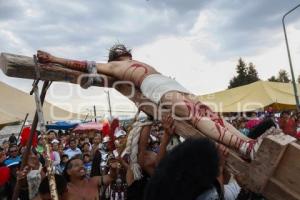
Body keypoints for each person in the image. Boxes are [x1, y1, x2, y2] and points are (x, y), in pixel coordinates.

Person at [37, 45, 268, 159]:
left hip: (168, 85)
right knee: (200, 117)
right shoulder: (117, 66)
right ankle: (243, 145)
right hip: (161, 88)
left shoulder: (128, 64)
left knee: (208, 115)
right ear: (119, 57)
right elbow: (86, 65)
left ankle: (245, 143)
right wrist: (54, 59)